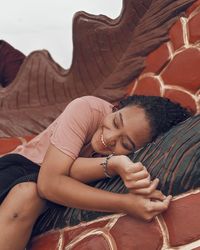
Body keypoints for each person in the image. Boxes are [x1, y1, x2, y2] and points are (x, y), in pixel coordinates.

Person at [0, 95, 191, 250]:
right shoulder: (86, 108)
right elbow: (49, 183)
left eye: (125, 144)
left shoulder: (128, 161)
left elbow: (70, 170)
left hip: (49, 185)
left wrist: (117, 164)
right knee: (28, 193)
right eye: (116, 122)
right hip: (18, 168)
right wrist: (126, 204)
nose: (108, 138)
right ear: (116, 108)